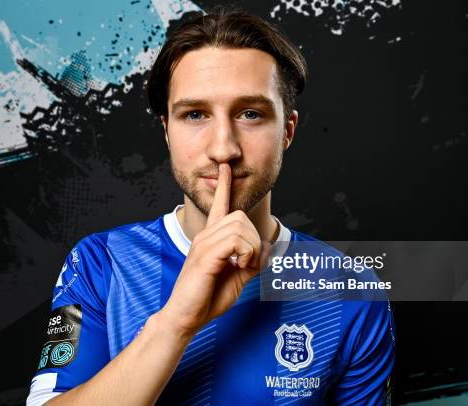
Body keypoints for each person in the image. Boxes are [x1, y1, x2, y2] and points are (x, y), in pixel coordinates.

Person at [27, 7, 394, 405]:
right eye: (195, 114)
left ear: (287, 130)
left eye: (251, 114)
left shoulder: (350, 293)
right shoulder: (101, 265)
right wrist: (177, 321)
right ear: (167, 130)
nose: (223, 149)